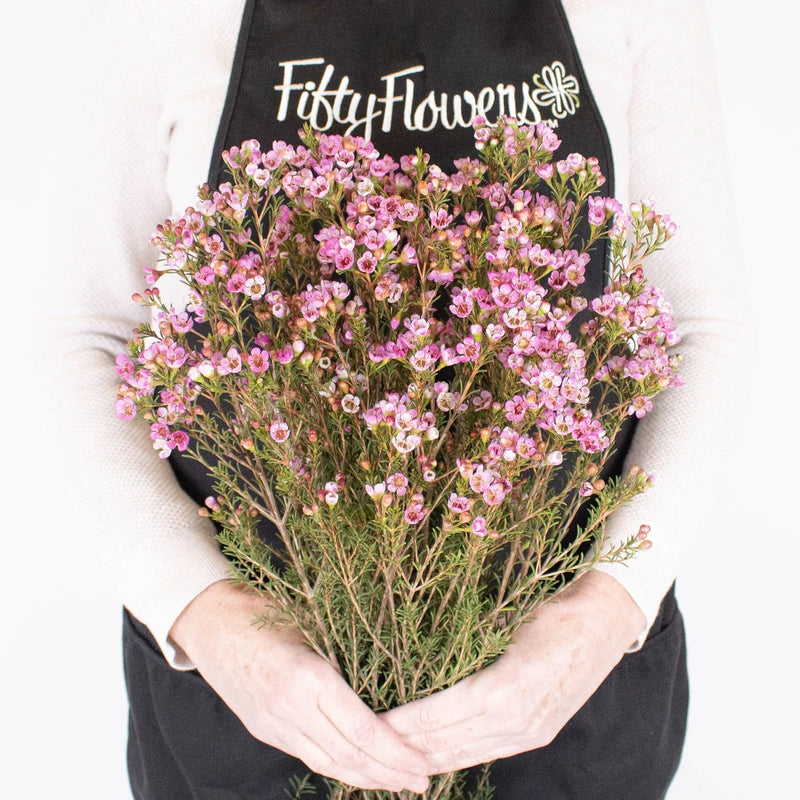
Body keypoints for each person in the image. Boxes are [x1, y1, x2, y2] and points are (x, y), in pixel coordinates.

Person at [52, 0, 745, 798]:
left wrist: (606, 611)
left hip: (560, 684)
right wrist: (209, 620)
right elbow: (82, 337)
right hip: (255, 693)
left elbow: (701, 327)